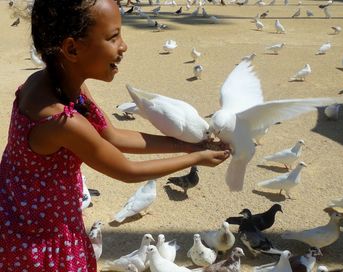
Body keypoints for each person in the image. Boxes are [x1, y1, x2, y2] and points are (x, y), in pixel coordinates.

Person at [0, 0, 230, 271]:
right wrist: (197, 158)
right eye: (113, 37)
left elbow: (112, 136)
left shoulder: (48, 81)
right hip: (39, 240)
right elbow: (127, 170)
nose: (124, 45)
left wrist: (188, 145)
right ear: (72, 49)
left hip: (17, 214)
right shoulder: (62, 122)